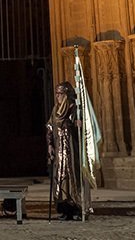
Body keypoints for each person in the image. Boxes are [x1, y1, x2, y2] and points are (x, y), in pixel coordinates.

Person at [47, 81, 82, 220]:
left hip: (70, 149)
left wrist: (78, 123)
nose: (57, 96)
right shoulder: (56, 109)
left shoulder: (73, 108)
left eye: (60, 94)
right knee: (60, 179)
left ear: (66, 95)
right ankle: (64, 209)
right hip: (59, 149)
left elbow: (78, 125)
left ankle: (76, 209)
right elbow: (50, 126)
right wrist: (50, 145)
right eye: (56, 94)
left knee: (71, 178)